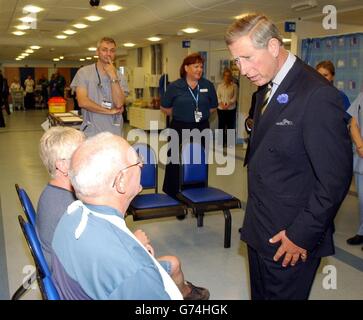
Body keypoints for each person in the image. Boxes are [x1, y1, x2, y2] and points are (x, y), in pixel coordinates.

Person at [225, 14, 352, 300]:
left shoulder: (317, 94)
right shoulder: (266, 89)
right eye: (237, 61)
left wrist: (301, 235)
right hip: (260, 229)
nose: (242, 70)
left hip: (290, 240)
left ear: (273, 46)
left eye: (247, 58)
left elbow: (334, 180)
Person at [49, 132, 208, 299]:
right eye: (137, 161)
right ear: (121, 181)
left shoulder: (70, 216)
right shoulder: (134, 271)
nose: (142, 165)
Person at [160, 52, 218, 200]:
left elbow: (212, 107)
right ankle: (174, 194)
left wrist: (199, 114)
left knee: (197, 161)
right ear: (186, 68)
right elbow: (165, 107)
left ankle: (196, 193)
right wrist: (182, 113)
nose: (199, 69)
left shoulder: (207, 85)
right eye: (196, 66)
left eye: (201, 67)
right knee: (175, 160)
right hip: (179, 128)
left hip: (201, 128)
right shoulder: (175, 86)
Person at [37, 127, 85, 266]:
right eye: (81, 155)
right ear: (63, 166)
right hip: (68, 277)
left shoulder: (53, 191)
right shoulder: (69, 209)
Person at [70, 37, 129, 137]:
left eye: (112, 51)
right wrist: (109, 111)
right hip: (91, 132)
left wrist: (113, 77)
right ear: (97, 52)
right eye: (104, 50)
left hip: (114, 133)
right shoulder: (84, 73)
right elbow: (82, 102)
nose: (108, 54)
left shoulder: (120, 76)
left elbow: (119, 103)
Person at [346, 92, 363, 248]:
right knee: (362, 199)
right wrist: (360, 146)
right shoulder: (361, 97)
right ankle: (362, 231)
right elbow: (353, 124)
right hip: (362, 157)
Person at [217, 68, 238, 147]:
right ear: (223, 76)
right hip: (221, 109)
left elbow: (235, 97)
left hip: (231, 109)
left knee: (230, 126)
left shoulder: (234, 86)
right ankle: (221, 143)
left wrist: (229, 104)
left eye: (229, 76)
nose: (227, 77)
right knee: (221, 126)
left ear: (231, 77)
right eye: (225, 75)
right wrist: (221, 104)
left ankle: (230, 143)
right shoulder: (220, 86)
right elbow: (218, 96)